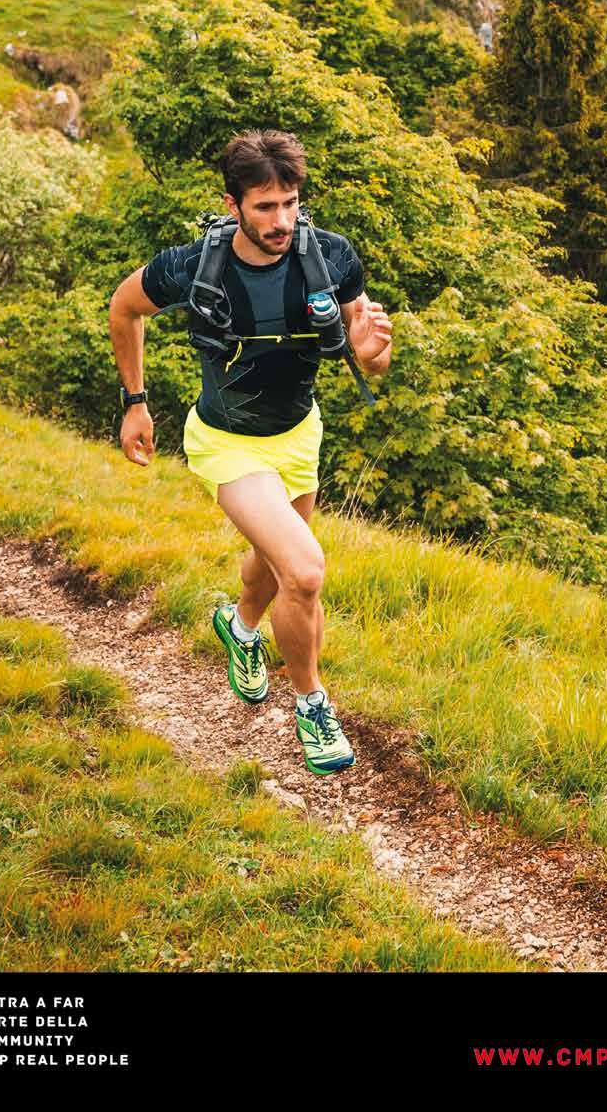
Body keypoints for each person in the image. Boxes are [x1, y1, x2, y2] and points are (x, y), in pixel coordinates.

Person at [108, 129, 392, 776]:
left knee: (273, 566)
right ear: (233, 205)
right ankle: (313, 706)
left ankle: (239, 628)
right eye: (265, 207)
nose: (281, 220)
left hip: (298, 434)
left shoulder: (331, 257)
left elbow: (367, 349)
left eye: (290, 203)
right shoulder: (195, 265)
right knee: (305, 571)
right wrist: (135, 402)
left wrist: (373, 353)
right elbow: (124, 308)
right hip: (226, 442)